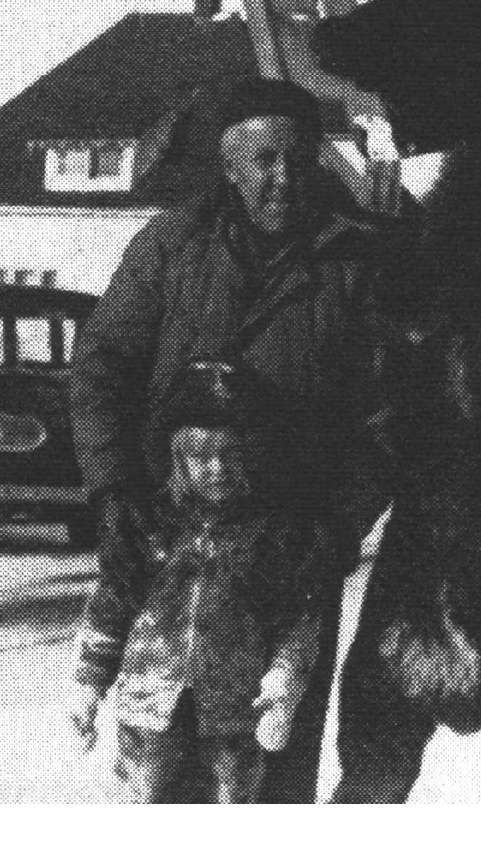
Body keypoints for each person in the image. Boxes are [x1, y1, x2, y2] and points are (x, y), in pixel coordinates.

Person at [71, 75, 391, 801]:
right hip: (169, 544)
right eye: (265, 159)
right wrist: (114, 489)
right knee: (160, 758)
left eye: (298, 157)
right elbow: (99, 371)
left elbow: (387, 417)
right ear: (229, 165)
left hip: (290, 553)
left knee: (271, 766)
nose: (284, 176)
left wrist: (339, 525)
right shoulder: (170, 248)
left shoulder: (352, 264)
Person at [65, 361, 342, 802]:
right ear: (178, 457)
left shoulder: (274, 536)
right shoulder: (149, 527)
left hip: (235, 711)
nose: (217, 468)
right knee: (143, 799)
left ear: (252, 454)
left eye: (231, 455)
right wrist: (88, 684)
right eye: (201, 456)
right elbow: (111, 606)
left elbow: (297, 619)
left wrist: (283, 681)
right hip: (149, 705)